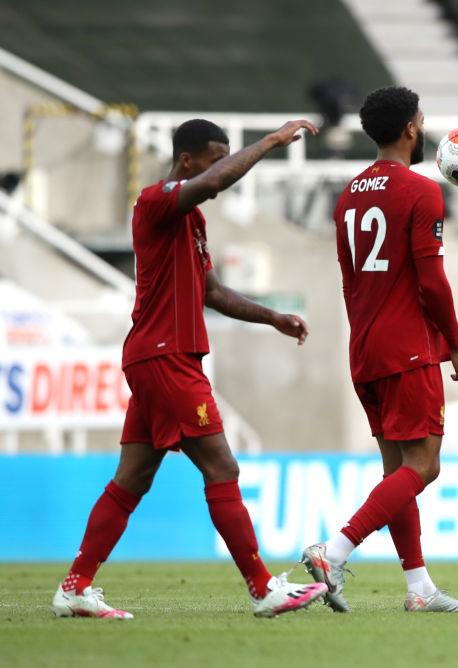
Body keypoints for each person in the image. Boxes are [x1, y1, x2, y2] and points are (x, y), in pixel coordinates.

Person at [51, 118, 328, 619]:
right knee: (222, 467)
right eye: (214, 158)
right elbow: (216, 181)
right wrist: (270, 141)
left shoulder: (192, 220)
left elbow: (213, 293)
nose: (221, 168)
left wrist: (272, 317)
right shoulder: (155, 202)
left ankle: (74, 588)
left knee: (131, 479)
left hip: (158, 357)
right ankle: (263, 588)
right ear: (187, 160)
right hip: (166, 357)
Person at [302, 86, 458, 613]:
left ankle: (419, 588)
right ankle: (334, 552)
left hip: (365, 347)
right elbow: (432, 281)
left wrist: (366, 337)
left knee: (396, 470)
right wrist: (457, 345)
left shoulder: (348, 195)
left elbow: (349, 279)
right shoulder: (422, 192)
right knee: (424, 466)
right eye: (421, 120)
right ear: (410, 129)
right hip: (407, 349)